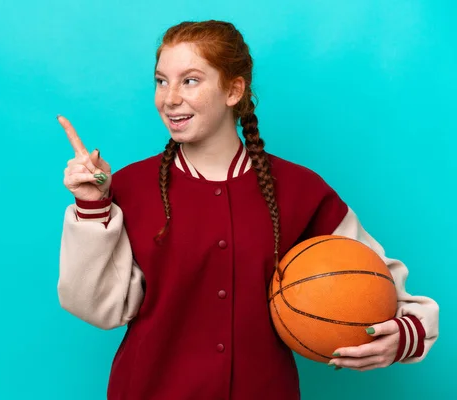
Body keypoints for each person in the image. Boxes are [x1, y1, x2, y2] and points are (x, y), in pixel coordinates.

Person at [56, 20, 439, 400]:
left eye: (190, 80)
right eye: (161, 81)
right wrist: (93, 207)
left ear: (233, 90)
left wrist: (404, 336)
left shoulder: (300, 189)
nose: (169, 98)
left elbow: (378, 283)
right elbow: (98, 309)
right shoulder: (130, 187)